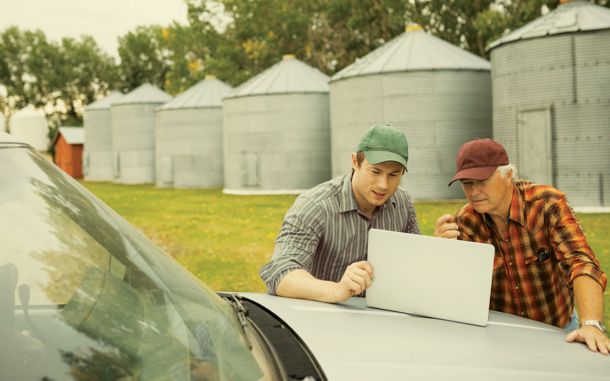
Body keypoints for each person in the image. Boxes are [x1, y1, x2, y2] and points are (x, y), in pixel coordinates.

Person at [435, 138, 609, 355]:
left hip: (558, 330)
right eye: (467, 183)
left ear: (508, 175)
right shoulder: (464, 222)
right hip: (500, 338)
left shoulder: (547, 204)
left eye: (483, 180)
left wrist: (591, 324)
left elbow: (580, 262)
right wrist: (443, 254)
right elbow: (456, 295)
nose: (474, 191)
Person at [260, 124, 419, 303]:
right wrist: (337, 290)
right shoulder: (315, 205)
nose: (383, 185)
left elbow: (412, 266)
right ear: (355, 162)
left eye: (393, 175)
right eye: (375, 171)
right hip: (318, 317)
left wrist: (439, 247)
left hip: (380, 318)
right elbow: (281, 274)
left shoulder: (403, 204)